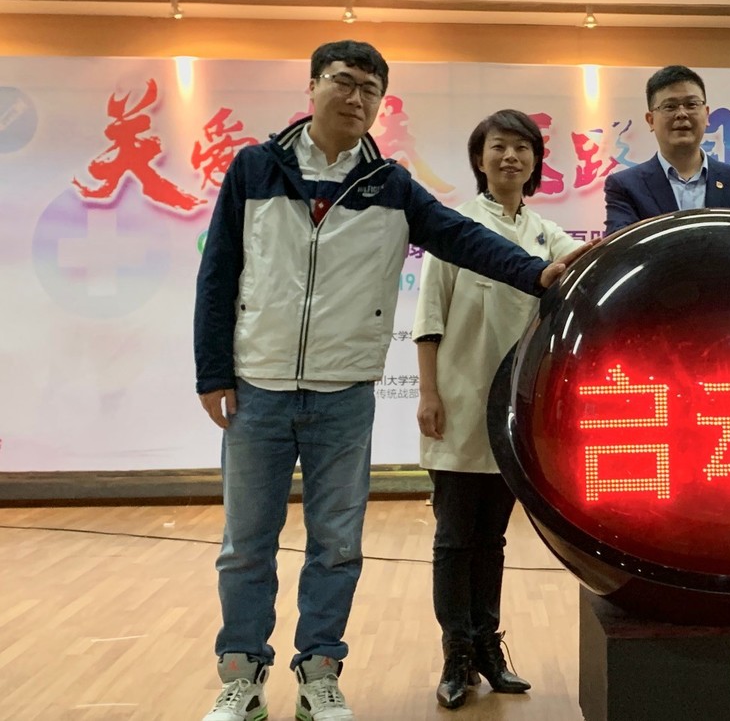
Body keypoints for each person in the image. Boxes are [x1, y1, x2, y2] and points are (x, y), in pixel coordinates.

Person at [193, 41, 587, 721]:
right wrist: (212, 371)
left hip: (345, 392)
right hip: (259, 387)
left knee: (337, 545)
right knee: (245, 545)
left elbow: (462, 237)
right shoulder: (255, 168)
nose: (355, 98)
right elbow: (219, 273)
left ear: (380, 103)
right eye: (343, 82)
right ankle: (242, 676)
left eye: (370, 89)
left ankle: (319, 674)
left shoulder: (389, 184)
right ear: (313, 85)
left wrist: (535, 271)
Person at [412, 109, 580, 710]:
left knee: (493, 537)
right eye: (498, 147)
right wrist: (429, 393)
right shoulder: (453, 230)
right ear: (479, 160)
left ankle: (488, 647)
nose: (511, 157)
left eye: (522, 148)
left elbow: (586, 263)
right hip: (459, 402)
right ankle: (456, 654)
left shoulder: (546, 234)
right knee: (455, 536)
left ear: (536, 162)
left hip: (514, 410)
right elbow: (429, 321)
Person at [603, 65, 730, 234]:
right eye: (670, 106)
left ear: (707, 114)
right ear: (651, 120)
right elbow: (620, 246)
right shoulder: (625, 186)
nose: (681, 114)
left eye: (691, 104)